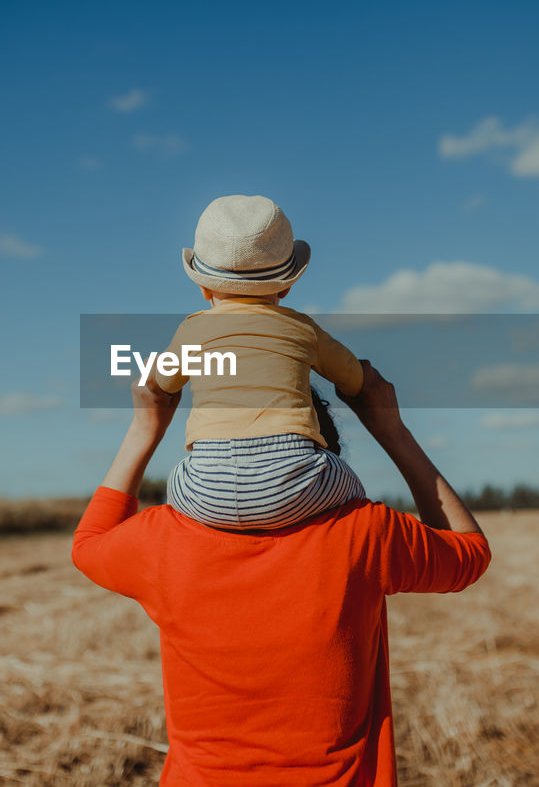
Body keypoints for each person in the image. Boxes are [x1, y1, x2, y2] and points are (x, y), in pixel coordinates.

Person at [72, 361, 491, 785]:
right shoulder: (362, 531)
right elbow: (469, 553)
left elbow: (88, 544)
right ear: (321, 448)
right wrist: (392, 432)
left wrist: (145, 430)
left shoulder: (160, 539)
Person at [145, 194, 367, 531]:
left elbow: (161, 383)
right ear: (287, 285)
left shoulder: (191, 330)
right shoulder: (303, 328)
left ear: (204, 288)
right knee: (350, 488)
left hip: (208, 490)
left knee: (177, 480)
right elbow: (354, 380)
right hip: (293, 483)